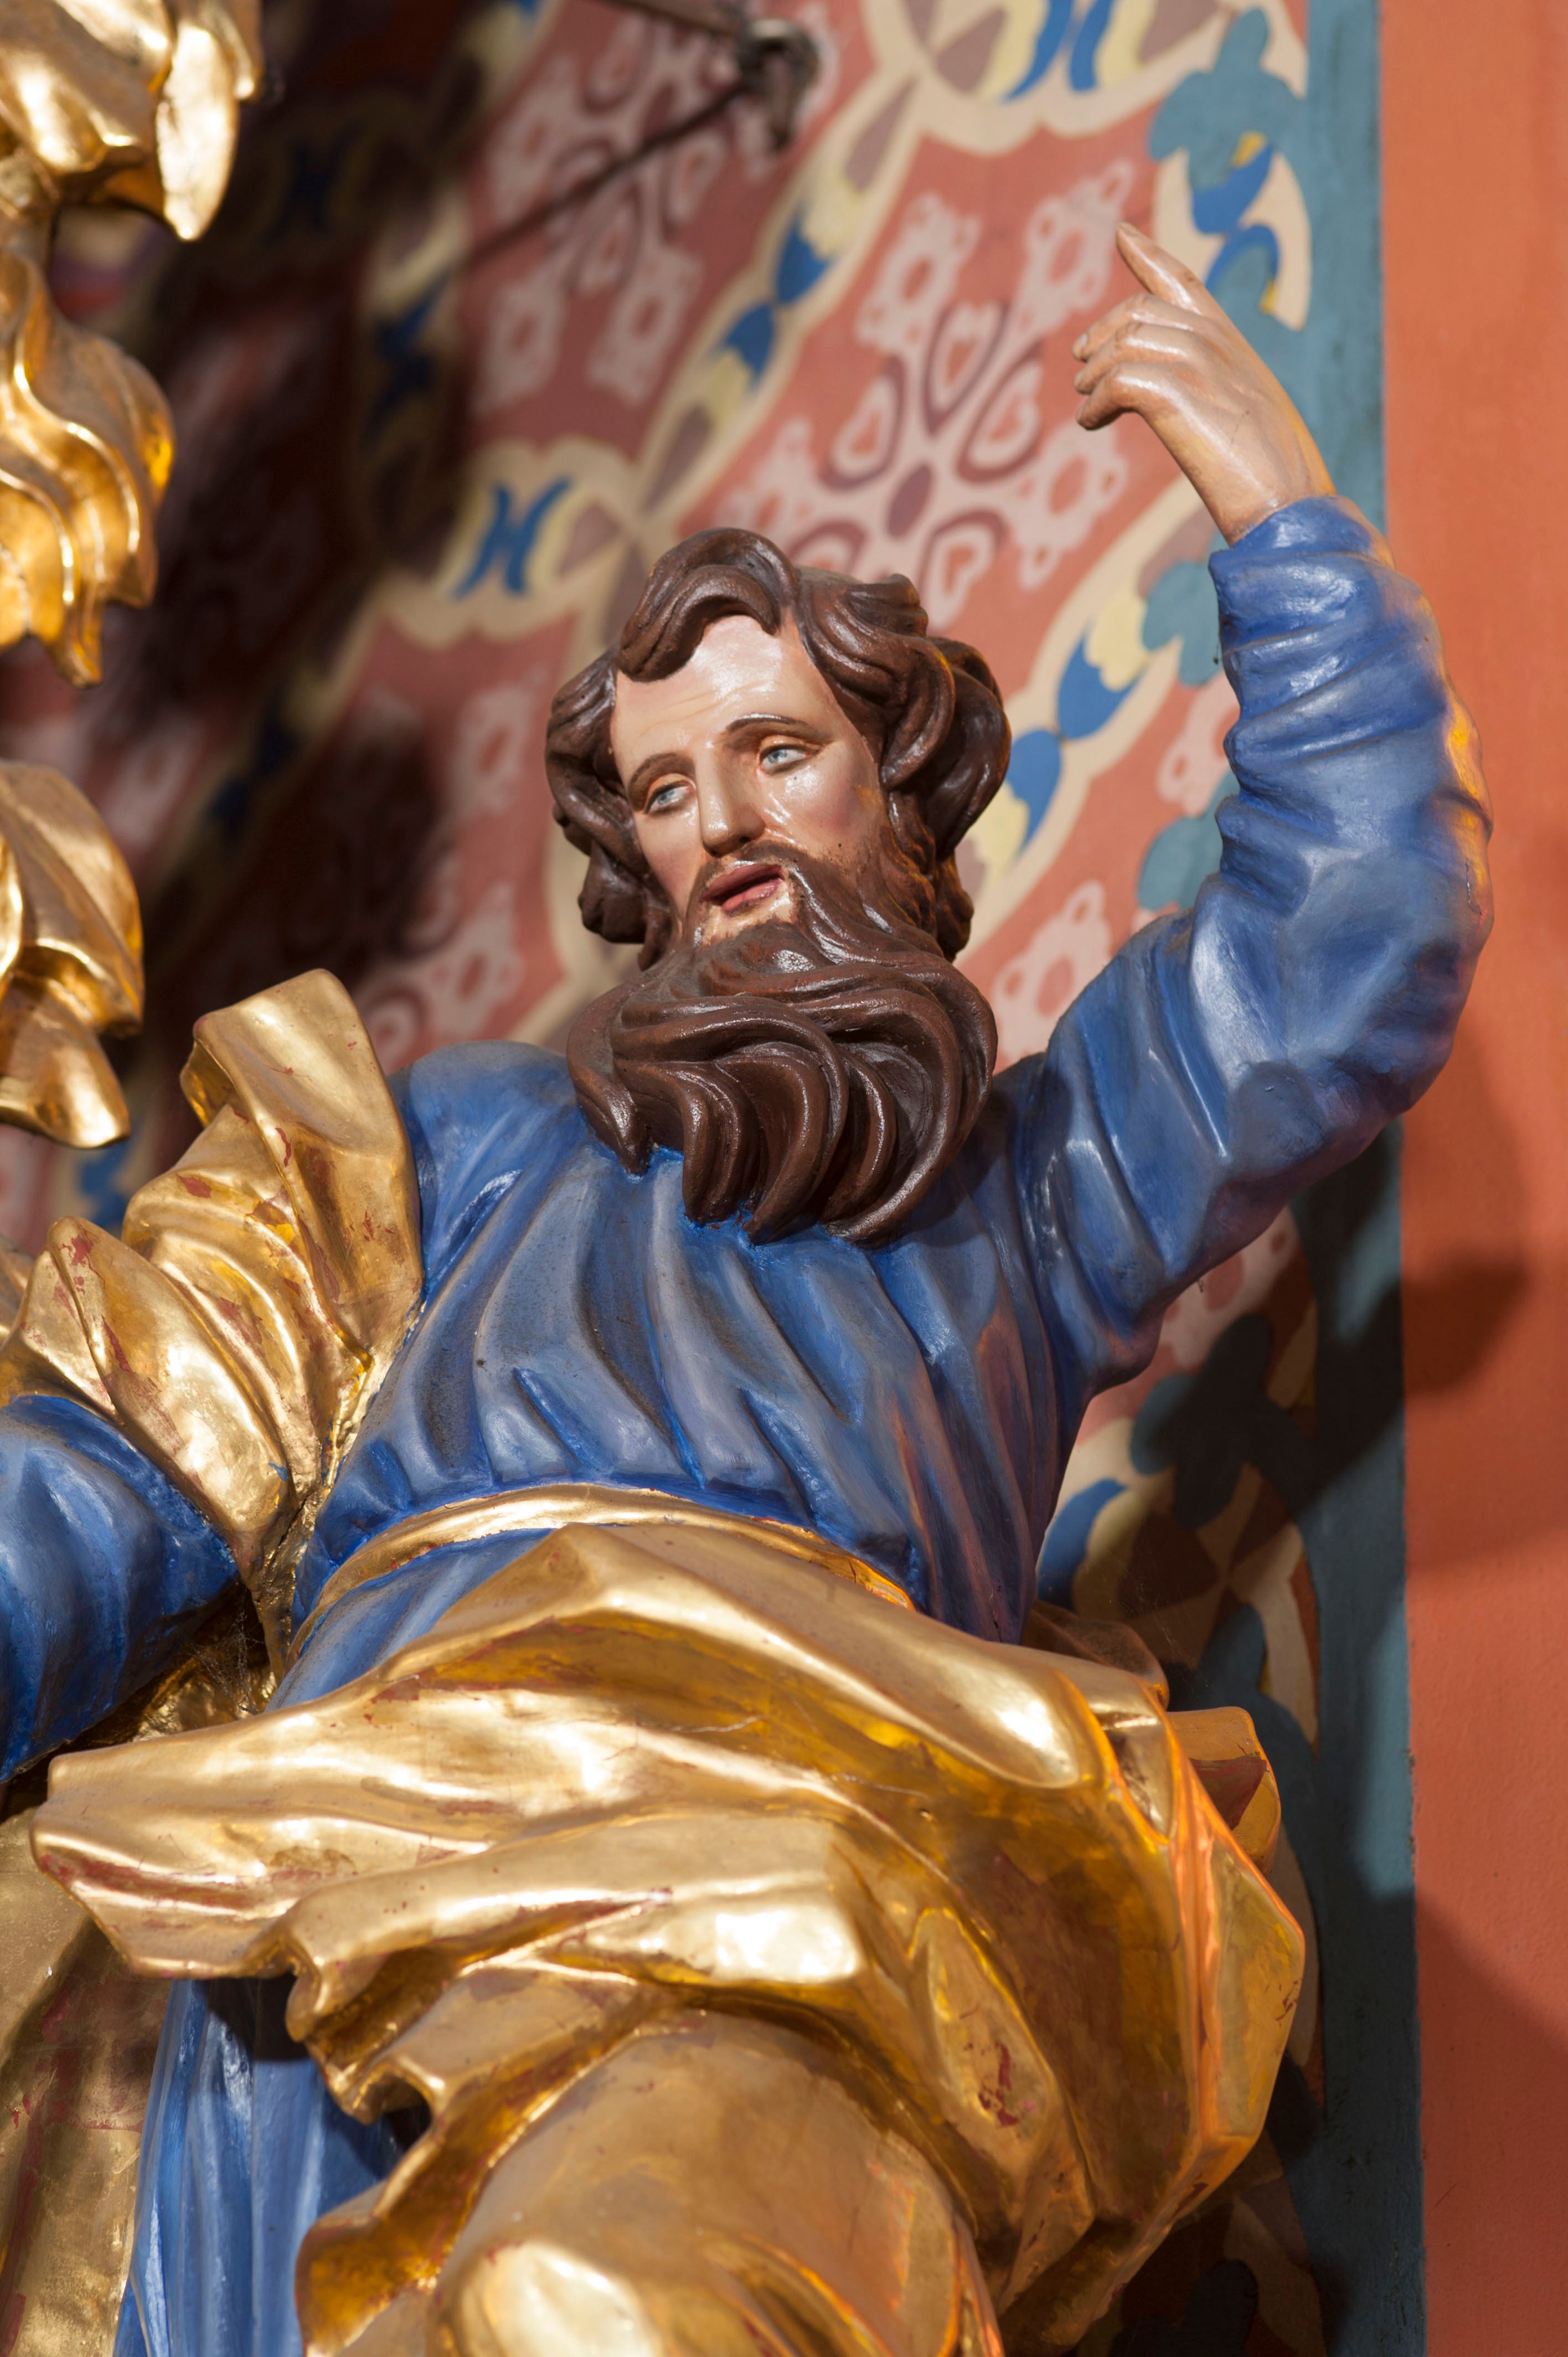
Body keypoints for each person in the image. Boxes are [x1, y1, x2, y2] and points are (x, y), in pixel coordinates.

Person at [6, 230, 1489, 2356]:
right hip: (324, 1884)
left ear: (906, 798)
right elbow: (119, 1475)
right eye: (665, 791)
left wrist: (1281, 518)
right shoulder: (454, 1143)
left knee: (602, 2300)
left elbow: (1346, 944)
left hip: (777, 1870)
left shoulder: (1030, 1188)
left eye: (778, 752)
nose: (723, 826)